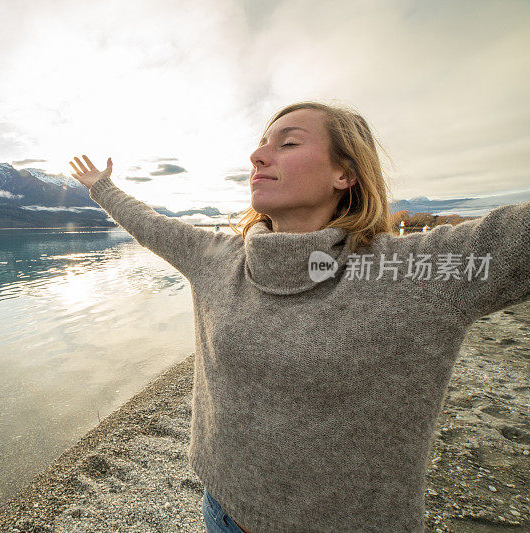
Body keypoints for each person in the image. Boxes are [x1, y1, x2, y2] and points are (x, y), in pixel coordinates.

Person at [68, 101, 530, 532]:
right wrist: (102, 188)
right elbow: (151, 224)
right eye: (262, 144)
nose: (258, 156)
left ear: (345, 174)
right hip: (224, 508)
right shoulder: (218, 259)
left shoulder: (417, 271)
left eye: (287, 143)